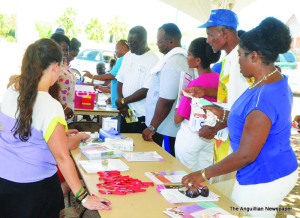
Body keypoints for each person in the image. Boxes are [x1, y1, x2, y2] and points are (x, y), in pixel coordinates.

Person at [182, 17, 298, 218]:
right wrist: (224, 114)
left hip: (265, 176)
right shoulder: (270, 80)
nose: (238, 60)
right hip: (271, 169)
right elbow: (257, 122)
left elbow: (246, 154)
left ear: (254, 57)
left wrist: (201, 174)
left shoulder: (263, 97)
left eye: (241, 55)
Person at [0, 38, 111, 218]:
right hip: (35, 189)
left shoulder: (12, 90)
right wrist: (84, 197)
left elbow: (20, 131)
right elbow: (62, 157)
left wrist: (59, 133)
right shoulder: (50, 105)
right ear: (55, 66)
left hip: (5, 181)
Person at [142, 23, 191, 156]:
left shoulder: (174, 61)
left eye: (160, 40)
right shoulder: (173, 58)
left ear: (171, 41)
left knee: (165, 166)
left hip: (165, 128)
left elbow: (167, 99)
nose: (157, 43)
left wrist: (152, 126)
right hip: (163, 126)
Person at [174, 37, 220, 171]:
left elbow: (177, 118)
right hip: (210, 136)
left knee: (185, 176)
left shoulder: (195, 84)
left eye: (189, 55)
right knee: (203, 179)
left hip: (191, 136)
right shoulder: (219, 79)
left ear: (198, 61)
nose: (187, 58)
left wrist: (179, 100)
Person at [116, 26, 159, 133]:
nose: (129, 45)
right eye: (128, 42)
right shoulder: (128, 55)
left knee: (138, 146)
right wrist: (123, 104)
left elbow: (146, 90)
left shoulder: (153, 60)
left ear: (143, 41)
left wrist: (123, 101)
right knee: (123, 142)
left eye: (133, 43)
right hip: (126, 111)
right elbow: (120, 80)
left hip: (141, 114)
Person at [84, 40, 129, 109]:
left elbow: (111, 76)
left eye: (117, 48)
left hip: (120, 103)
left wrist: (92, 76)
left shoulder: (122, 59)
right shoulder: (129, 59)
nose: (115, 51)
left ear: (124, 48)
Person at [51, 33, 76, 122]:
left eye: (67, 50)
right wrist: (63, 108)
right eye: (62, 50)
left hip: (68, 113)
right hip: (57, 112)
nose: (65, 53)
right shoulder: (52, 67)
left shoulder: (64, 65)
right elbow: (48, 93)